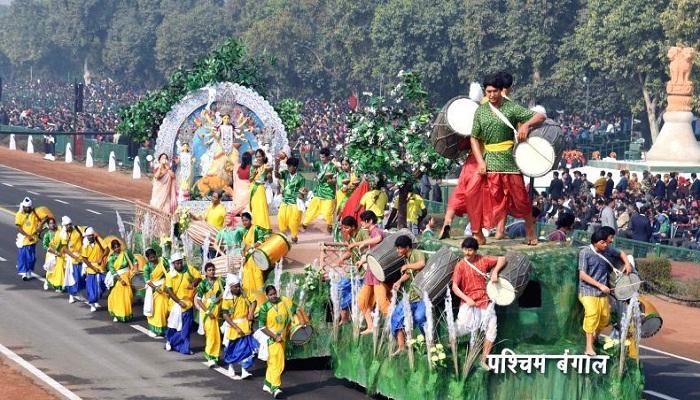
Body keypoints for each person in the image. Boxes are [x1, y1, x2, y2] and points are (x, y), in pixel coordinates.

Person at [463, 73, 545, 245]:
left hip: (509, 161)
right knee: (471, 192)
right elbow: (474, 138)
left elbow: (540, 117)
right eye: (488, 92)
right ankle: (477, 232)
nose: (491, 95)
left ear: (501, 91)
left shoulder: (511, 108)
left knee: (521, 199)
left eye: (494, 91)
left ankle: (530, 230)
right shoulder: (481, 111)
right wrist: (480, 161)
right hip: (488, 160)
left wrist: (525, 124)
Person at [451, 237, 506, 369]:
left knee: (492, 329)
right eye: (465, 249)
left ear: (475, 250)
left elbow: (502, 259)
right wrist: (467, 299)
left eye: (470, 250)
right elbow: (454, 287)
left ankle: (483, 359)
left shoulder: (483, 260)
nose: (467, 253)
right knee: (459, 328)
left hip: (485, 301)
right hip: (468, 302)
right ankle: (451, 350)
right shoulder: (460, 265)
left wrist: (495, 272)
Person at [578, 229, 632, 356]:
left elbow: (621, 253)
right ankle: (588, 347)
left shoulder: (607, 250)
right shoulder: (585, 253)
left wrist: (627, 264)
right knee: (592, 314)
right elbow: (582, 275)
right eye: (605, 242)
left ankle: (595, 338)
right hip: (587, 291)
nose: (608, 244)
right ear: (599, 242)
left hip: (602, 293)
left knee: (604, 318)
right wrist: (599, 285)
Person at [258, 285, 307, 398]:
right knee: (278, 363)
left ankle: (267, 383)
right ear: (266, 296)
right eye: (270, 295)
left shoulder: (284, 302)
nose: (273, 296)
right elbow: (261, 327)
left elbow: (296, 309)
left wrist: (302, 319)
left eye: (274, 293)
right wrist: (275, 336)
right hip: (272, 338)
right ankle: (275, 387)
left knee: (273, 362)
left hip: (282, 337)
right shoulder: (264, 308)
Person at [348, 211, 388, 334]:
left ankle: (395, 328)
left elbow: (379, 238)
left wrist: (361, 243)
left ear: (370, 221)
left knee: (382, 304)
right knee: (362, 301)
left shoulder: (376, 231)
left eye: (363, 221)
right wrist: (362, 260)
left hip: (378, 275)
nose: (361, 223)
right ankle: (371, 326)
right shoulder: (370, 233)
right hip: (370, 274)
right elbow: (372, 252)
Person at [390, 235, 427, 354]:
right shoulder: (406, 258)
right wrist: (399, 281)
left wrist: (407, 266)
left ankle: (428, 341)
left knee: (420, 317)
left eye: (400, 248)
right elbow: (408, 273)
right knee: (396, 316)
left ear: (407, 247)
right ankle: (401, 347)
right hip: (410, 296)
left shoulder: (416, 253)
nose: (398, 251)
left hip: (421, 296)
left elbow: (421, 264)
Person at [329, 216, 367, 324]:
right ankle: (344, 318)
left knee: (355, 292)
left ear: (353, 227)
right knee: (340, 288)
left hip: (364, 271)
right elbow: (351, 252)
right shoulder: (350, 237)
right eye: (343, 228)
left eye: (346, 228)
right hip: (354, 269)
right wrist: (341, 259)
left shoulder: (362, 234)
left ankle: (348, 318)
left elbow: (369, 248)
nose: (343, 230)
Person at [165, 252, 202, 355]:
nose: (180, 265)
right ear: (173, 264)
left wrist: (193, 283)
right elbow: (169, 290)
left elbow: (199, 277)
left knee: (186, 327)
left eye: (180, 262)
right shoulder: (170, 275)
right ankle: (174, 342)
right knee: (175, 326)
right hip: (176, 304)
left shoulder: (188, 269)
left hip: (188, 304)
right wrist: (178, 302)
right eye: (177, 263)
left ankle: (179, 346)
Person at [221, 273, 257, 380]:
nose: (238, 288)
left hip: (245, 324)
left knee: (247, 348)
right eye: (235, 286)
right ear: (230, 287)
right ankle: (231, 366)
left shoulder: (244, 293)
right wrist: (236, 327)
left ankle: (244, 370)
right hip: (233, 326)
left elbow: (253, 301)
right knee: (232, 348)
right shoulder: (227, 299)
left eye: (238, 285)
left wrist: (251, 312)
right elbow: (225, 315)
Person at [232, 212, 270, 295]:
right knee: (247, 279)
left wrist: (252, 246)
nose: (244, 222)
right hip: (247, 259)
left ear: (250, 220)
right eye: (243, 221)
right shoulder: (243, 231)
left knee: (257, 277)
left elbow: (262, 239)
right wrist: (242, 254)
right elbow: (243, 245)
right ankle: (251, 297)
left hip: (255, 258)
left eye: (246, 220)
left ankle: (260, 298)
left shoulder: (256, 228)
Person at [301, 147, 337, 233]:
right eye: (320, 157)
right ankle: (305, 224)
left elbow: (335, 181)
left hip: (329, 193)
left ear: (328, 157)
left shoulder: (332, 167)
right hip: (319, 192)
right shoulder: (318, 164)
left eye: (323, 157)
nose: (321, 159)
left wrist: (330, 181)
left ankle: (329, 225)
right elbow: (307, 165)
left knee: (328, 212)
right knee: (311, 208)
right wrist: (302, 155)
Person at [195, 262, 225, 366]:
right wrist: (208, 311)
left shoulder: (220, 281)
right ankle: (210, 356)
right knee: (211, 334)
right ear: (206, 272)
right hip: (207, 311)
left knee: (216, 335)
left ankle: (214, 356)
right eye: (209, 270)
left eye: (213, 270)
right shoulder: (203, 284)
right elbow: (199, 300)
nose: (212, 272)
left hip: (217, 311)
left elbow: (225, 293)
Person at [275, 156, 306, 244]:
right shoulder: (285, 173)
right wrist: (276, 164)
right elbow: (277, 175)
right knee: (281, 217)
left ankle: (294, 236)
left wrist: (301, 194)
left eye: (290, 166)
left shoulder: (301, 178)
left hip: (295, 202)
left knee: (293, 221)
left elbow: (302, 192)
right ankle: (283, 237)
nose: (288, 168)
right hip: (285, 200)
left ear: (295, 167)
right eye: (287, 166)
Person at [106, 239, 136, 322]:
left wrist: (135, 269)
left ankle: (126, 314)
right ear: (113, 248)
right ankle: (117, 313)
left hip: (128, 276)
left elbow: (134, 260)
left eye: (118, 246)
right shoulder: (111, 258)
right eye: (115, 247)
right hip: (119, 279)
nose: (117, 249)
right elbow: (112, 270)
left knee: (128, 297)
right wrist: (120, 280)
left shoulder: (126, 253)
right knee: (117, 296)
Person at [143, 248, 170, 337]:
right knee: (156, 310)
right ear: (147, 258)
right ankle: (153, 329)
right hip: (154, 289)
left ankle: (164, 329)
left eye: (154, 257)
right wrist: (156, 288)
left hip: (165, 287)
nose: (153, 259)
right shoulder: (147, 267)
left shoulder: (163, 261)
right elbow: (147, 281)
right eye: (151, 258)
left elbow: (169, 270)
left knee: (165, 309)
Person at [15, 197, 42, 281]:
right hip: (24, 239)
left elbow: (39, 226)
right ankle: (24, 273)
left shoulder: (34, 213)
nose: (27, 209)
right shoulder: (19, 214)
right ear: (23, 206)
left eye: (29, 207)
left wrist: (41, 225)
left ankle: (29, 271)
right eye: (26, 207)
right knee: (24, 257)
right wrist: (27, 236)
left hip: (33, 239)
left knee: (32, 258)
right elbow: (18, 228)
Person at [81, 227, 107, 312]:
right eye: (88, 236)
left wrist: (101, 257)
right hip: (91, 268)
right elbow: (85, 259)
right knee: (92, 287)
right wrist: (93, 268)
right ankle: (92, 303)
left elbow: (107, 249)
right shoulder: (85, 246)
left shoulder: (99, 240)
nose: (90, 238)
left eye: (91, 236)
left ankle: (97, 297)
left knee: (103, 284)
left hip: (100, 267)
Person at [61, 217, 84, 304]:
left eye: (70, 224)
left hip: (82, 256)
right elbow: (65, 248)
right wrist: (74, 256)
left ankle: (78, 292)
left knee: (81, 277)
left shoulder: (78, 229)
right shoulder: (64, 235)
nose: (69, 226)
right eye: (67, 225)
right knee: (73, 277)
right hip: (72, 258)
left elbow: (86, 233)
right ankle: (71, 294)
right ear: (65, 226)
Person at [249, 149, 273, 230]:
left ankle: (264, 228)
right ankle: (256, 227)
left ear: (263, 157)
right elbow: (250, 180)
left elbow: (271, 181)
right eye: (257, 157)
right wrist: (253, 174)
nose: (258, 158)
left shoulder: (267, 167)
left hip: (262, 189)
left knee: (262, 208)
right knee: (255, 209)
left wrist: (270, 177)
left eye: (260, 156)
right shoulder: (253, 167)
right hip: (254, 189)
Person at [41, 217, 59, 291]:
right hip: (51, 254)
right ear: (48, 225)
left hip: (59, 253)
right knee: (50, 269)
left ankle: (56, 285)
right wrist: (51, 251)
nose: (52, 225)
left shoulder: (58, 232)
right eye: (50, 223)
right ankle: (46, 282)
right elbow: (44, 245)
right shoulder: (47, 234)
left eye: (53, 223)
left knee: (57, 269)